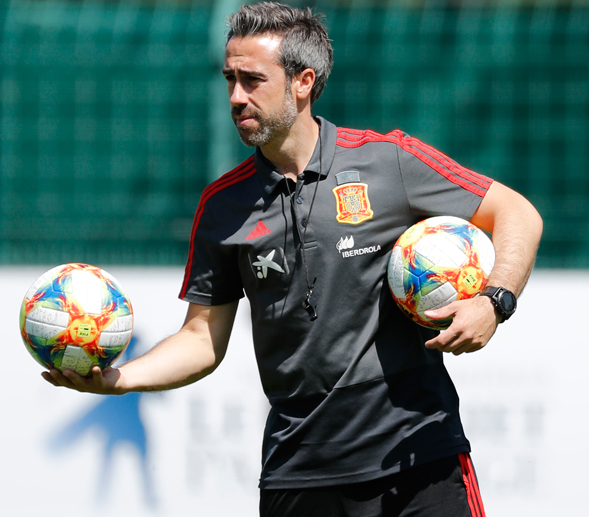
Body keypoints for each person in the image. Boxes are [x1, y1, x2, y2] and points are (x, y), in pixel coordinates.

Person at [44, 3, 543, 516]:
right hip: (298, 473)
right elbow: (201, 339)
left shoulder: (387, 161)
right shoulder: (222, 206)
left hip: (418, 461)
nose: (236, 97)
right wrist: (120, 379)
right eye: (230, 79)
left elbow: (517, 214)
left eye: (253, 80)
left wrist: (494, 299)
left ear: (303, 82)